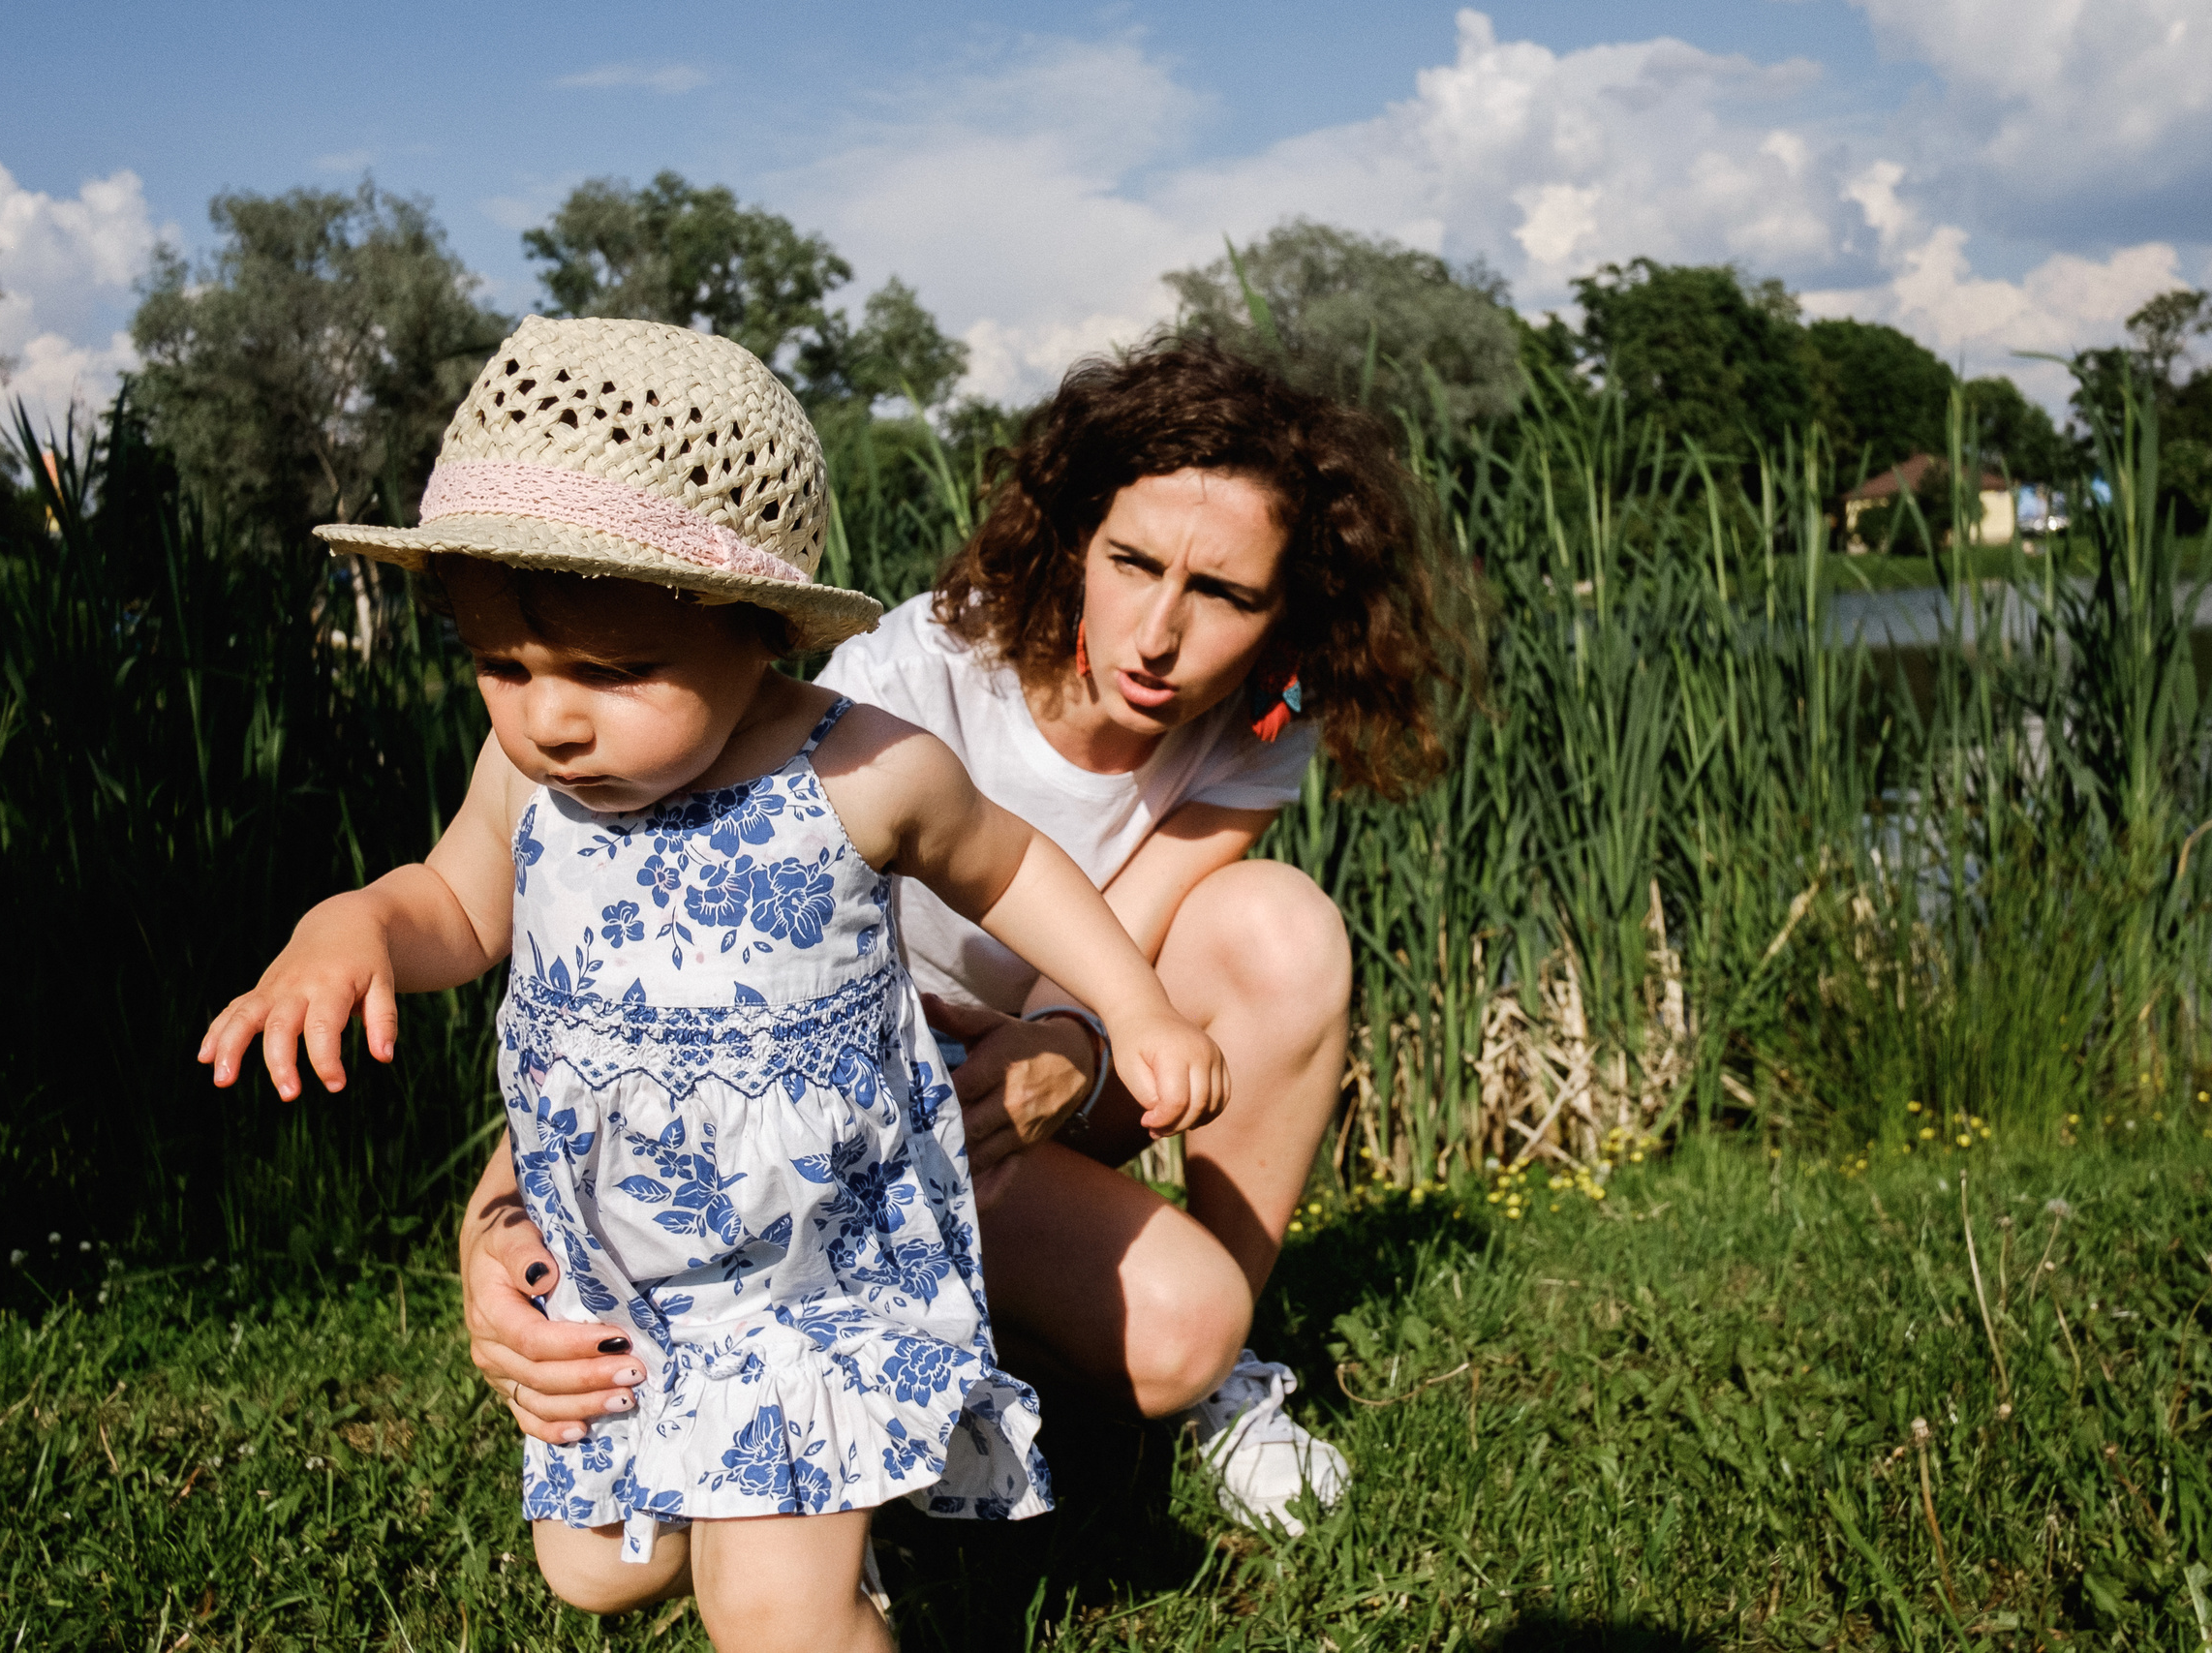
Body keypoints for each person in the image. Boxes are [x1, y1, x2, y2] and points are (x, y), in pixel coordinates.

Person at [197, 316, 1231, 1652]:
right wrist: (349, 924)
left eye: (613, 670)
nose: (550, 716)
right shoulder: (528, 777)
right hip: (620, 1251)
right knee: (599, 1572)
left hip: (808, 1256)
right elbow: (452, 904)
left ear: (758, 636)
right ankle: (820, 1516)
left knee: (771, 1612)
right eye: (502, 665)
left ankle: (816, 1559)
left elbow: (1014, 865)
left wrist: (1130, 1007)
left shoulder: (860, 770)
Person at [458, 335, 1474, 1535]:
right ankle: (847, 1414)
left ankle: (1211, 1385)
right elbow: (657, 952)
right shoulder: (911, 679)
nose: (1157, 634)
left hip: (1026, 1069)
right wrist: (501, 1212)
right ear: (1078, 540)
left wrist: (1068, 1048)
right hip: (831, 1109)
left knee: (1281, 930)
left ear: (1288, 613)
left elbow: (1127, 931)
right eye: (1132, 563)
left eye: (1225, 595)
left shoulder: (1262, 726)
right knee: (611, 1550)